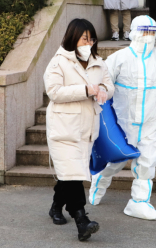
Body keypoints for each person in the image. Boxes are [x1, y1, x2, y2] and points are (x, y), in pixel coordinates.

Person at [88, 15, 156, 220]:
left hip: (150, 123)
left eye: (152, 32)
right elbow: (103, 82)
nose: (148, 36)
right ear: (135, 33)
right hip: (122, 123)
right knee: (115, 162)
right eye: (144, 32)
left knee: (147, 162)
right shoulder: (119, 58)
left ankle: (139, 202)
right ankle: (99, 182)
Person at [44, 19, 114, 241]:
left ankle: (56, 206)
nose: (89, 43)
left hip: (87, 128)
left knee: (69, 172)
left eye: (91, 39)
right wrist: (85, 90)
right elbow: (54, 92)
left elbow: (109, 85)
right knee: (72, 174)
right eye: (85, 39)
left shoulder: (98, 62)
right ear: (73, 37)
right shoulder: (58, 62)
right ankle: (82, 221)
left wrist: (102, 90)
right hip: (63, 127)